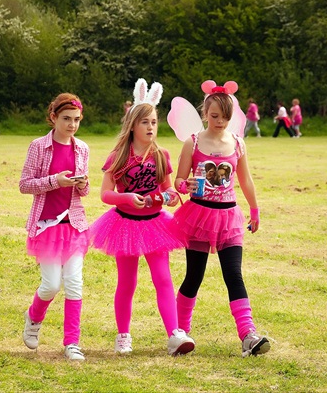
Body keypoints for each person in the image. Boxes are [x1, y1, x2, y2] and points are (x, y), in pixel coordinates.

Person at [90, 78, 195, 356]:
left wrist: (172, 194)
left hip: (155, 224)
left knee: (163, 279)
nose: (151, 127)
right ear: (133, 125)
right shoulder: (118, 157)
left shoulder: (161, 155)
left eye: (154, 122)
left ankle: (174, 334)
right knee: (128, 282)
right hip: (124, 224)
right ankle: (123, 335)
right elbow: (105, 194)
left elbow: (168, 187)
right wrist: (125, 198)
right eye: (145, 122)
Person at [172, 80, 270, 358]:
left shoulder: (237, 143)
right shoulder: (192, 143)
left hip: (228, 217)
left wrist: (254, 209)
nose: (220, 122)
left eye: (225, 117)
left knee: (234, 275)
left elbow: (246, 179)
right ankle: (180, 333)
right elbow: (179, 179)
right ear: (205, 113)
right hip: (199, 216)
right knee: (194, 276)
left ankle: (248, 335)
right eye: (215, 116)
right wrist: (184, 185)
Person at [19, 93, 90, 361]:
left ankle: (72, 343)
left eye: (76, 120)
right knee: (50, 285)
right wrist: (54, 181)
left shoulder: (82, 148)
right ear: (53, 118)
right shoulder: (38, 146)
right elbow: (25, 184)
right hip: (46, 225)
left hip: (74, 224)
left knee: (74, 283)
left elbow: (84, 191)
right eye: (66, 119)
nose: (72, 125)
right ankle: (33, 317)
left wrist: (82, 185)